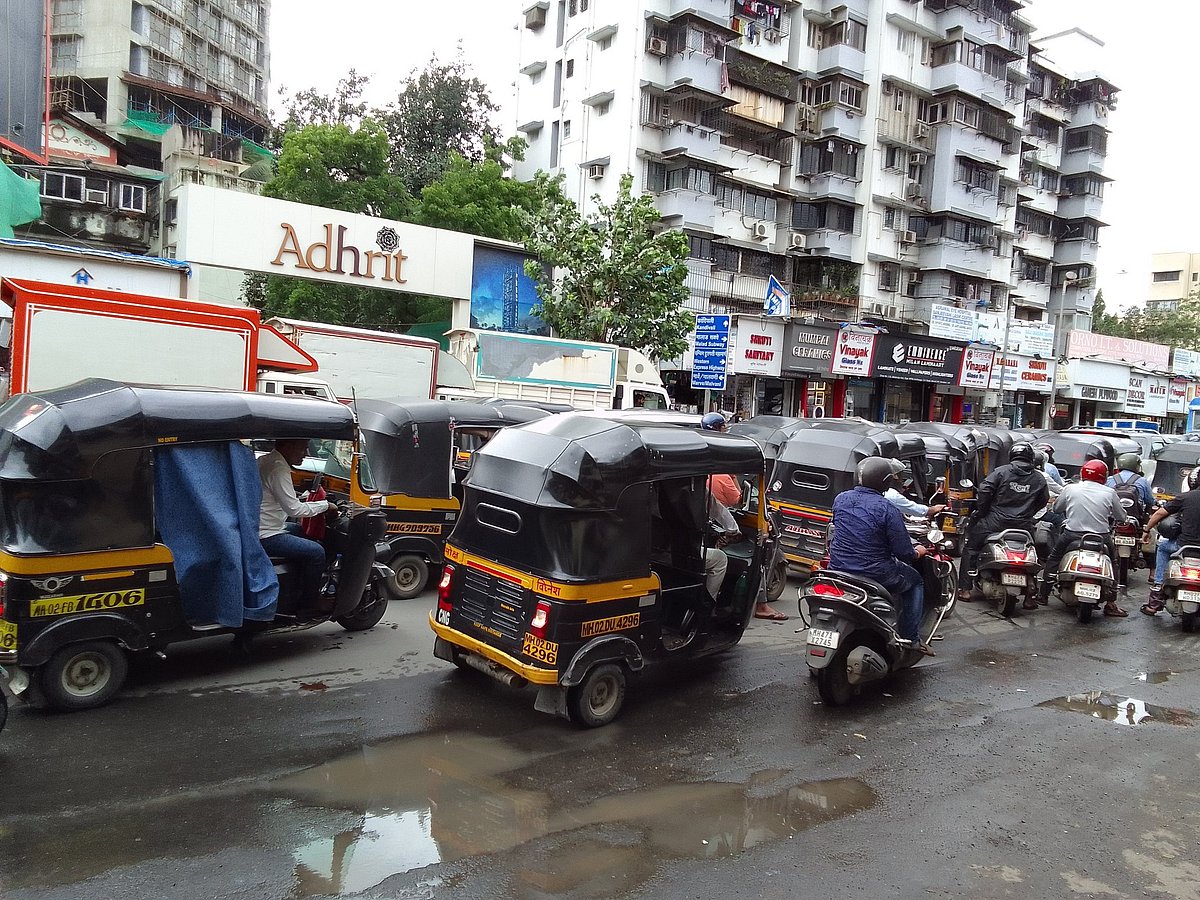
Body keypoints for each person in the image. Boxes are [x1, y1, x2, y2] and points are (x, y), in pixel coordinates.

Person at [827, 457, 933, 656]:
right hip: (876, 573)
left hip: (838, 569)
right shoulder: (887, 508)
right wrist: (917, 552)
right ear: (885, 482)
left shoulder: (840, 499)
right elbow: (903, 552)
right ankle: (911, 638)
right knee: (916, 582)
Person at [958, 442, 1049, 605]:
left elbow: (985, 491)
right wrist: (1027, 513)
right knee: (1034, 552)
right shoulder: (1039, 478)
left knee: (971, 548)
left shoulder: (1001, 472)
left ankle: (964, 589)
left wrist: (983, 511)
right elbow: (1043, 501)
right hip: (1023, 526)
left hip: (994, 523)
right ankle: (1030, 596)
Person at [1038, 459, 1128, 616]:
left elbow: (1057, 508)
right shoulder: (1109, 492)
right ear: (1104, 476)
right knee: (1114, 563)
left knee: (1054, 558)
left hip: (1072, 534)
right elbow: (1121, 516)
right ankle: (1111, 602)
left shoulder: (1071, 489)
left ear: (1083, 473)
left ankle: (1043, 595)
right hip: (1101, 537)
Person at [259, 438, 331, 612]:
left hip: (264, 526)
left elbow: (281, 499)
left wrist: (306, 500)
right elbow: (294, 510)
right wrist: (326, 505)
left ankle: (297, 586)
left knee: (299, 530)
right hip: (266, 534)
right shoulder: (278, 468)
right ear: (288, 446)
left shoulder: (265, 460)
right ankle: (309, 603)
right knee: (317, 552)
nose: (305, 454)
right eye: (302, 449)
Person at [1141, 467, 1200, 615]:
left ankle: (1156, 597)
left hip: (1182, 547)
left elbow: (1160, 513)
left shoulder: (1186, 497)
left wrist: (1146, 530)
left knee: (1162, 547)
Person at [882, 459, 946, 520]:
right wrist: (934, 509)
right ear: (893, 476)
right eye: (900, 475)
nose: (901, 480)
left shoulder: (879, 490)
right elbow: (915, 510)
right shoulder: (890, 494)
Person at [1107, 452, 1154, 521]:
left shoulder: (1110, 480)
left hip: (1113, 518)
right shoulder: (1143, 481)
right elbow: (1150, 501)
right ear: (1136, 466)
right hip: (1136, 518)